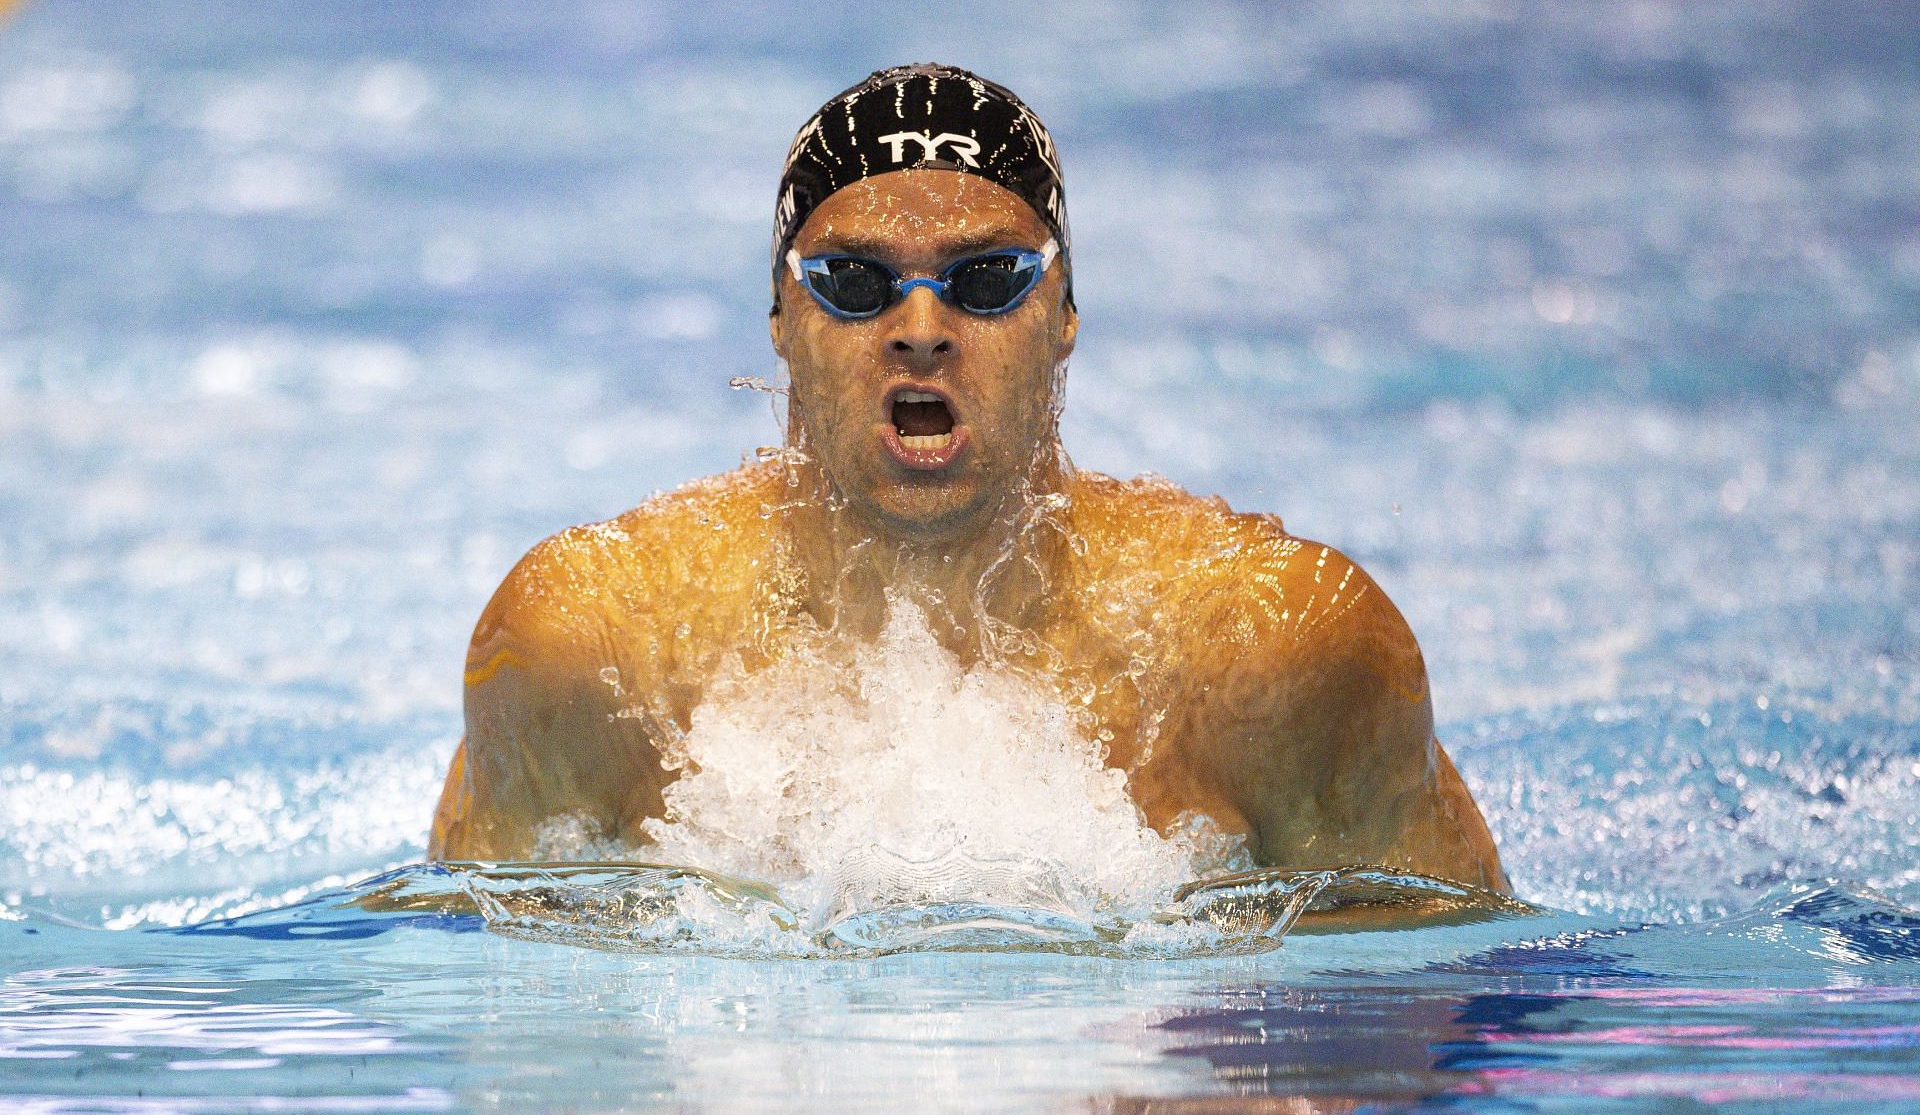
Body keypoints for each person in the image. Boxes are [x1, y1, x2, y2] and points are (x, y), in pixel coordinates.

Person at [430, 63, 1507, 897]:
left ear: (1066, 317)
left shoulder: (1272, 656)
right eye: (853, 283)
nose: (922, 330)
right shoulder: (593, 652)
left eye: (987, 279)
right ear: (780, 323)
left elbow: (1452, 1019)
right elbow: (493, 1028)